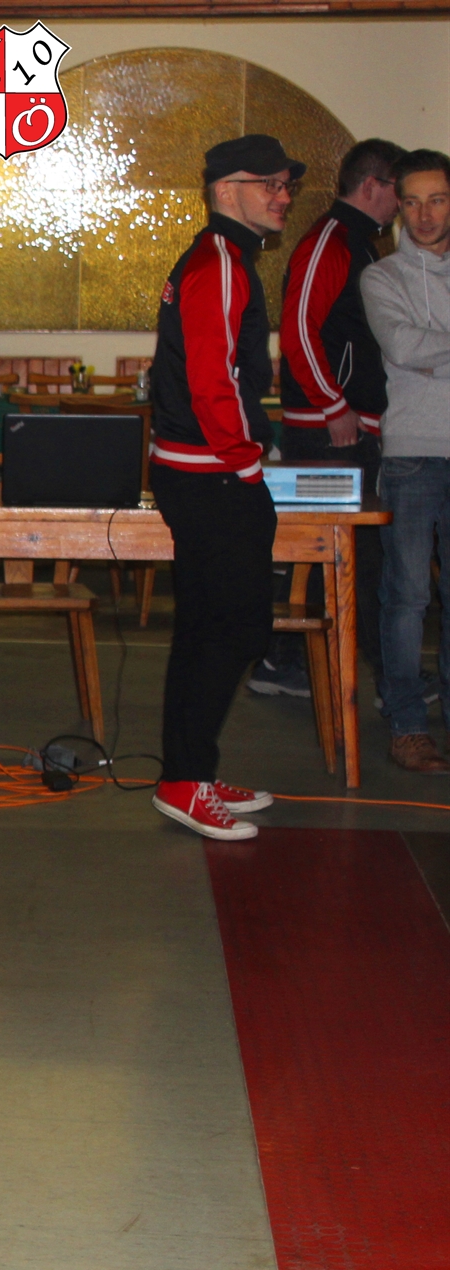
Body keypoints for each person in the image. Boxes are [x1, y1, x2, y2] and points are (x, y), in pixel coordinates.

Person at [146, 135, 300, 839]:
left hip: (200, 471)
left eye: (286, 184)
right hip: (211, 474)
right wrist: (245, 464)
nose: (283, 196)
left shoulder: (223, 258)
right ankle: (185, 780)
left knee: (208, 626)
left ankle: (190, 774)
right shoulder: (219, 263)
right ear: (226, 189)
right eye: (269, 183)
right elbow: (216, 381)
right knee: (235, 626)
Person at [254, 138, 404, 703]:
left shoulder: (357, 242)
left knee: (338, 553)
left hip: (345, 423)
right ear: (372, 186)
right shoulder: (330, 241)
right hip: (328, 427)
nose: (404, 207)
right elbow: (298, 330)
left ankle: (287, 661)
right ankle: (382, 678)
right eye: (400, 193)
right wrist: (334, 407)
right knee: (345, 554)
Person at [362, 149, 450, 774]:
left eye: (437, 200)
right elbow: (401, 345)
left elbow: (423, 350)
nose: (424, 215)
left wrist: (430, 352)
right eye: (412, 202)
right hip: (412, 454)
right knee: (407, 598)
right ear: (398, 206)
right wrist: (421, 351)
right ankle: (408, 726)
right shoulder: (382, 277)